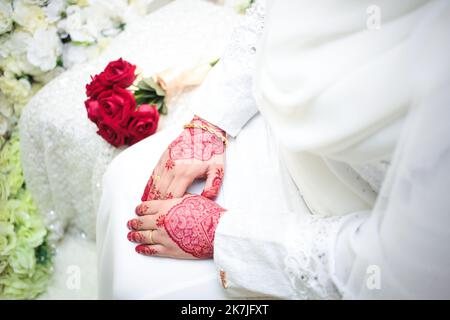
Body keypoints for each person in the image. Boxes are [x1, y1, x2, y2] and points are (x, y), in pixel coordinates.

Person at [97, 0, 450, 299]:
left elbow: (400, 270)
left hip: (344, 234)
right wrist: (210, 124)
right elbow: (269, 13)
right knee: (124, 179)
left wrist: (228, 237)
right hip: (274, 135)